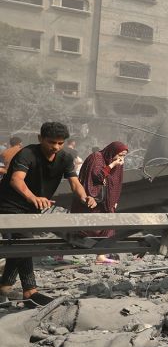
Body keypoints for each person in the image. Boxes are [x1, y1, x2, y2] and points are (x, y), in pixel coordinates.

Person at [0, 122, 97, 308]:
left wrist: (86, 197)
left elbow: (75, 183)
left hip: (32, 206)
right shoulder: (28, 153)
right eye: (52, 142)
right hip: (9, 204)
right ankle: (30, 291)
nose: (56, 147)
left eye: (60, 143)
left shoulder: (65, 158)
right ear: (40, 139)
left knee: (18, 244)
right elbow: (16, 179)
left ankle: (4, 286)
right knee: (24, 241)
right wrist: (32, 197)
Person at [69, 142, 128, 265]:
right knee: (80, 228)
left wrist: (114, 200)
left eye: (124, 156)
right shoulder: (97, 157)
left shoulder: (118, 162)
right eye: (119, 154)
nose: (121, 158)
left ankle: (101, 255)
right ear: (113, 151)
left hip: (105, 201)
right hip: (90, 198)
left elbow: (116, 183)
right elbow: (96, 177)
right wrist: (112, 165)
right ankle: (60, 253)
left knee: (108, 225)